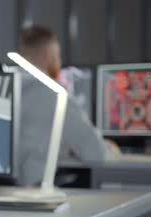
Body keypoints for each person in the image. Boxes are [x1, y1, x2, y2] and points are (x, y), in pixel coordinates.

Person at [16, 25, 115, 186]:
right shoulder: (54, 93)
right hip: (35, 191)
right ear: (48, 54)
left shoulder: (6, 87)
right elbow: (96, 153)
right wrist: (111, 149)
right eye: (58, 57)